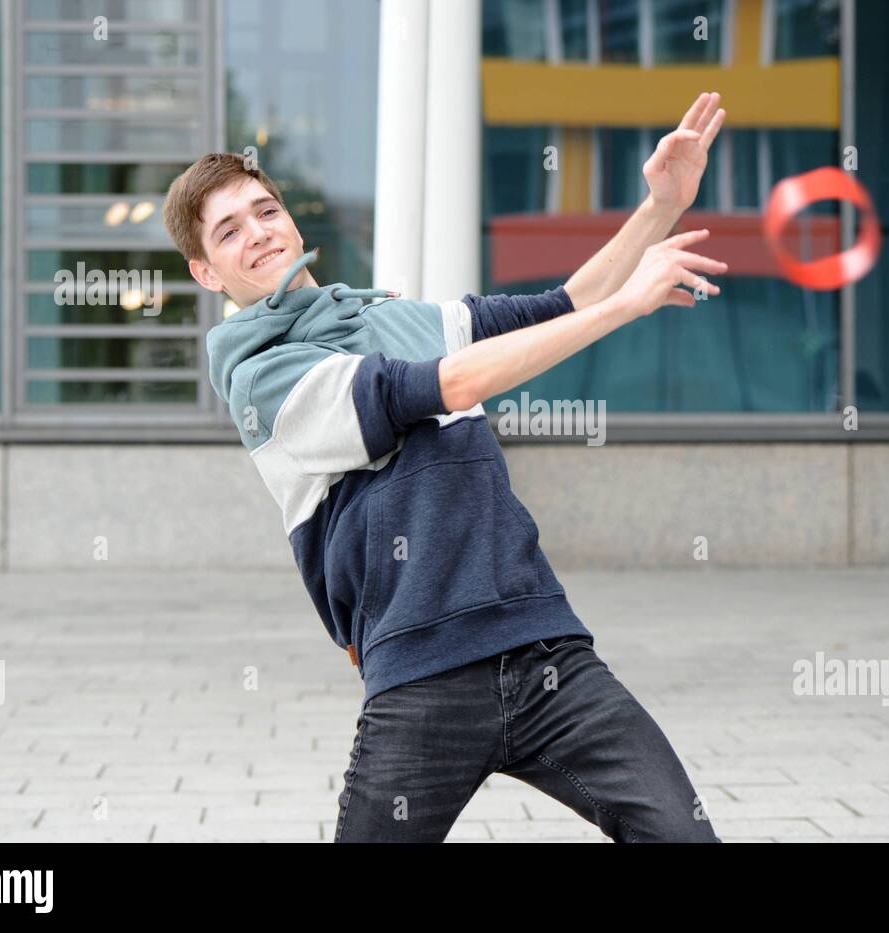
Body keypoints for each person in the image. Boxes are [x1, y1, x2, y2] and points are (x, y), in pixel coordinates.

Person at [163, 93, 728, 842]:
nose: (259, 233)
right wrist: (630, 304)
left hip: (544, 649)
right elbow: (446, 385)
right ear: (207, 271)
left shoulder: (402, 317)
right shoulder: (264, 382)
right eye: (229, 231)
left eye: (266, 210)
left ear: (291, 220)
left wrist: (660, 207)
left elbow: (563, 304)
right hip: (422, 676)